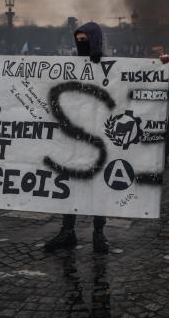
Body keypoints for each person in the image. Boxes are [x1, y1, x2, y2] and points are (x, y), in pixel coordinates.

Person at [45, 22, 110, 253]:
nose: (81, 44)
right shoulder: (69, 65)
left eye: (86, 40)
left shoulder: (112, 66)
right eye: (78, 39)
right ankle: (67, 230)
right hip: (71, 134)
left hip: (98, 136)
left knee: (97, 185)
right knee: (70, 182)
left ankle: (99, 232)